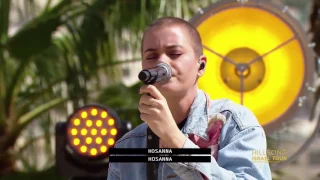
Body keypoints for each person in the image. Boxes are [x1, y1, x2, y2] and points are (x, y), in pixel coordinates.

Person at [107, 16, 272, 180]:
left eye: (175, 53)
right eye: (151, 57)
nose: (162, 62)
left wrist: (175, 140)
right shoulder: (128, 146)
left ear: (201, 66)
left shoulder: (235, 123)